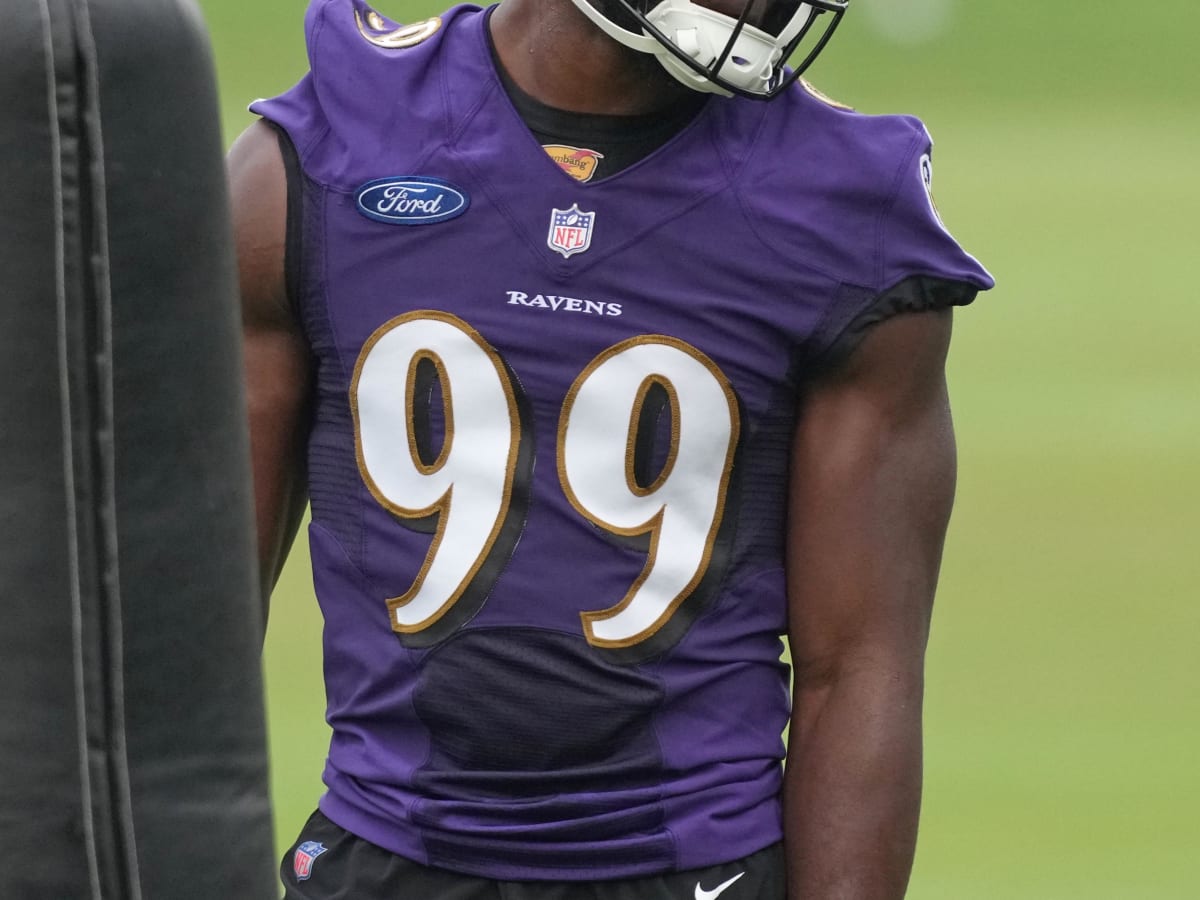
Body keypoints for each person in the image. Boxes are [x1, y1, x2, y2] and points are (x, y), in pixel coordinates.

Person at [227, 0, 994, 895]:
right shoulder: (321, 151)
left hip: (696, 868)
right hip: (383, 854)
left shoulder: (847, 209)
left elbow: (858, 670)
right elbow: (192, 626)